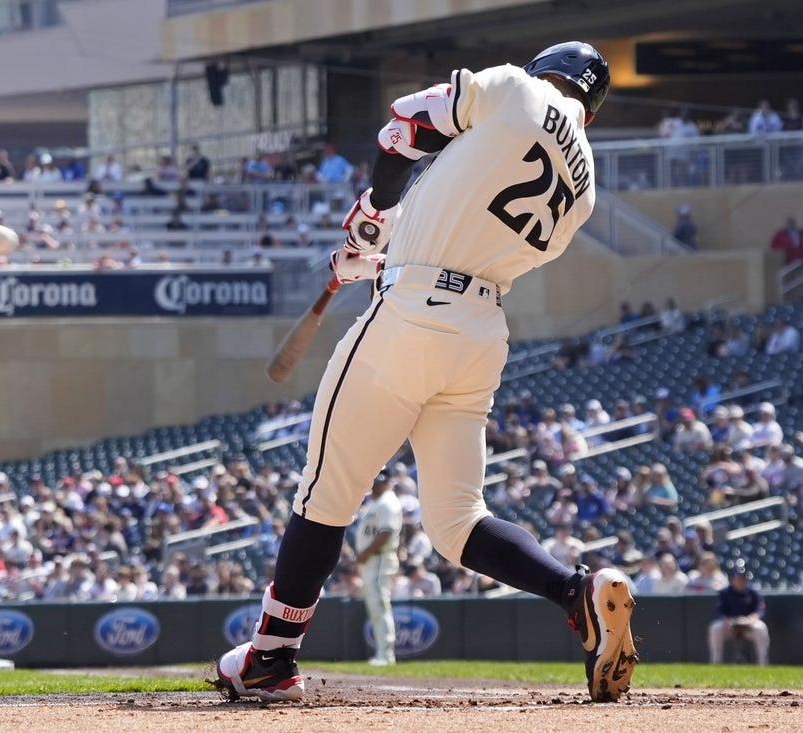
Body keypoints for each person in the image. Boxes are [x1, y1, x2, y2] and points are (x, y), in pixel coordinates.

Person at [213, 42, 637, 705]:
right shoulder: (583, 188)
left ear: (545, 71)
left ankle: (271, 654)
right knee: (457, 521)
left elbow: (401, 131)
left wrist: (377, 213)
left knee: (325, 493)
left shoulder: (514, 88)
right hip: (479, 332)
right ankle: (573, 588)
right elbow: (473, 235)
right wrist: (381, 259)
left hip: (413, 313)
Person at [353, 468, 403, 666]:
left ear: (387, 482)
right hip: (373, 560)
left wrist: (365, 553)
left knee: (380, 605)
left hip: (379, 559)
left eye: (378, 482)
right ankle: (383, 652)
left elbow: (386, 532)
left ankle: (386, 654)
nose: (374, 485)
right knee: (376, 606)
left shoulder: (388, 502)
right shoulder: (378, 502)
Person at [707, 563, 769, 665]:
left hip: (748, 626)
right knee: (715, 628)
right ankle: (716, 662)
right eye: (737, 577)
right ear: (732, 578)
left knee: (760, 628)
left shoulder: (753, 592)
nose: (740, 580)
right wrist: (726, 620)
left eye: (742, 577)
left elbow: (760, 609)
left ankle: (763, 663)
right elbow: (719, 610)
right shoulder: (725, 592)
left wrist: (751, 619)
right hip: (729, 626)